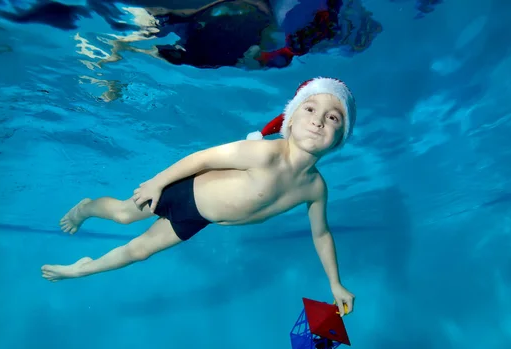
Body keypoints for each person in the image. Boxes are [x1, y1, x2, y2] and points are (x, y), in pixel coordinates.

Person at [41, 77, 357, 316]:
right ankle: (86, 208)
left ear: (340, 138)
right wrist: (157, 182)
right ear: (290, 119)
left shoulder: (315, 187)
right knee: (124, 215)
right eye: (311, 109)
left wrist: (335, 283)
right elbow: (202, 159)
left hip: (199, 218)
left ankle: (82, 268)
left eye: (333, 118)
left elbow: (321, 233)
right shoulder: (264, 153)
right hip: (183, 193)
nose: (318, 120)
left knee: (139, 252)